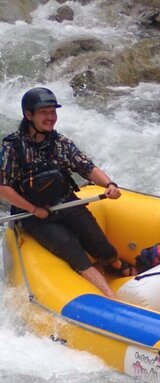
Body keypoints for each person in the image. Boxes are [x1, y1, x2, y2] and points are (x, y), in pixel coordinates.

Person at [0, 87, 131, 298]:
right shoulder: (13, 147)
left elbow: (86, 167)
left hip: (65, 202)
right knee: (71, 249)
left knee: (102, 246)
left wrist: (109, 184)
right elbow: (3, 187)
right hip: (35, 214)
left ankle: (116, 264)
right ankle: (111, 297)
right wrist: (34, 210)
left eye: (53, 112)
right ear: (28, 115)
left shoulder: (60, 143)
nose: (51, 118)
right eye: (44, 112)